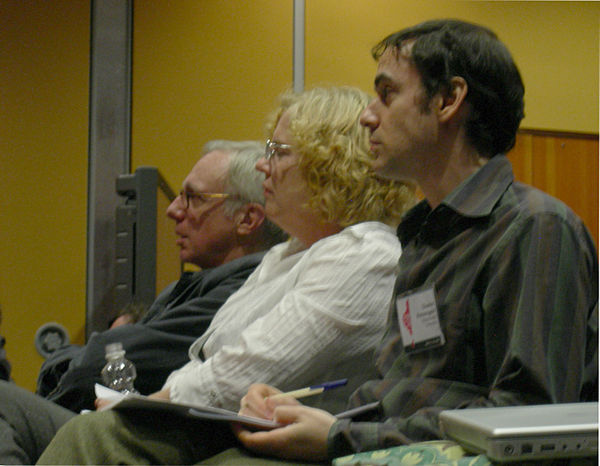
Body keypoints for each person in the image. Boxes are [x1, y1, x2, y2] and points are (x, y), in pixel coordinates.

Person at [40, 18, 597, 464]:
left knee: (113, 443)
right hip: (379, 442)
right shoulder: (422, 236)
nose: (367, 116)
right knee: (110, 440)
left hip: (403, 453)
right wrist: (296, 406)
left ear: (450, 100)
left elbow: (530, 417)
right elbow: (395, 388)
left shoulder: (534, 227)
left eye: (386, 93)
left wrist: (338, 437)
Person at [11, 85, 416, 464]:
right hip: (220, 428)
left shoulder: (367, 254)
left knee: (94, 436)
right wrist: (156, 400)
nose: (263, 164)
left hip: (266, 441)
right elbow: (206, 359)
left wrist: (152, 401)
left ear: (331, 164)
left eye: (278, 151)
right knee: (79, 425)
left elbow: (248, 369)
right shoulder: (285, 255)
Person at [36, 140, 285, 413]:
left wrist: (60, 363)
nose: (173, 210)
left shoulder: (247, 290)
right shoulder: (191, 286)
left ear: (247, 219)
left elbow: (96, 363)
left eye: (194, 198)